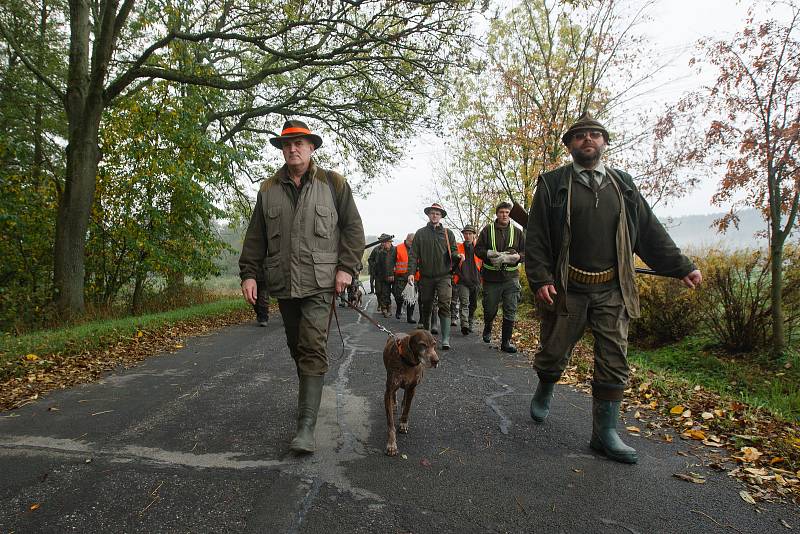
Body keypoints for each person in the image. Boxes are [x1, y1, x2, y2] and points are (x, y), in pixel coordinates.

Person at [524, 112, 702, 464]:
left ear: (604, 142)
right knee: (553, 352)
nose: (587, 140)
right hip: (567, 288)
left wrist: (681, 266)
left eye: (594, 134)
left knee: (614, 358)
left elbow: (649, 231)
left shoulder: (623, 185)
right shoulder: (552, 184)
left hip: (611, 289)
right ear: (570, 145)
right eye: (579, 136)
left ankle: (604, 434)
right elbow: (537, 238)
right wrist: (541, 278)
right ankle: (546, 386)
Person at [239, 119, 365, 454]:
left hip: (322, 282)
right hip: (284, 283)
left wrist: (346, 268)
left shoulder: (334, 184)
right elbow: (256, 238)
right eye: (286, 144)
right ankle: (309, 392)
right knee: (297, 348)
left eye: (299, 143)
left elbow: (353, 229)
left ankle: (305, 428)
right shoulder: (268, 189)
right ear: (282, 150)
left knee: (311, 346)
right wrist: (249, 273)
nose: (292, 149)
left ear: (311, 147)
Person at [407, 203, 461, 350]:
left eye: (437, 213)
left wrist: (457, 256)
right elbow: (413, 255)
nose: (434, 215)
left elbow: (454, 251)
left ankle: (445, 339)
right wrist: (411, 273)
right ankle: (426, 337)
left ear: (441, 216)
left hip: (444, 276)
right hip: (426, 276)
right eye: (432, 213)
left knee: (445, 304)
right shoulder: (420, 233)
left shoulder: (448, 234)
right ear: (428, 215)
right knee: (426, 305)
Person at [475, 202, 525, 353]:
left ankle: (506, 342)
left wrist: (517, 257)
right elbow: (478, 250)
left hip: (511, 277)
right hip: (492, 278)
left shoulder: (517, 232)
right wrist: (488, 253)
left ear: (510, 214)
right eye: (501, 212)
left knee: (511, 309)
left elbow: (526, 252)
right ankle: (488, 326)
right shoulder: (487, 230)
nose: (504, 214)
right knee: (490, 309)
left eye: (507, 212)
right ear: (497, 214)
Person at [452, 225, 482, 335]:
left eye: (470, 233)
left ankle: (470, 323)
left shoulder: (479, 248)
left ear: (474, 235)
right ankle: (464, 325)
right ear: (463, 235)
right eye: (466, 233)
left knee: (473, 305)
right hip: (462, 281)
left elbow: (483, 265)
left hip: (476, 281)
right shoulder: (458, 247)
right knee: (465, 303)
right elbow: (453, 261)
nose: (468, 236)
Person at [386, 233, 417, 323]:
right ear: (406, 240)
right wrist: (390, 274)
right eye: (410, 242)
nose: (412, 244)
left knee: (411, 297)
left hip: (413, 277)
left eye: (413, 242)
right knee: (399, 296)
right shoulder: (398, 248)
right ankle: (399, 308)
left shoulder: (417, 248)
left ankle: (410, 317)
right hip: (400, 277)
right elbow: (391, 262)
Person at [373, 235, 394, 317]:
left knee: (389, 293)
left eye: (385, 242)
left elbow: (396, 263)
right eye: (382, 242)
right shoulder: (379, 251)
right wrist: (374, 270)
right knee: (380, 292)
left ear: (390, 242)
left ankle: (388, 308)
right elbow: (377, 264)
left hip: (391, 276)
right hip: (380, 275)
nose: (383, 243)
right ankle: (384, 308)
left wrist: (393, 274)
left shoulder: (395, 250)